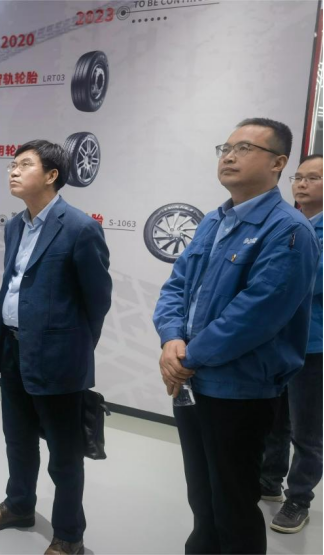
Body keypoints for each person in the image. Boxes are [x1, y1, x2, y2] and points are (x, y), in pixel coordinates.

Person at [152, 118, 319, 553]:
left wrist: (186, 359)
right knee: (202, 495)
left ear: (278, 163)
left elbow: (256, 315)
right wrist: (170, 340)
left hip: (239, 388)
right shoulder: (214, 220)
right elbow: (176, 287)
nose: (229, 156)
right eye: (225, 148)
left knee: (233, 502)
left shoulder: (289, 231)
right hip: (192, 382)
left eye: (244, 148)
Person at [0, 140, 112, 555]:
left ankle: (69, 535)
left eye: (25, 165)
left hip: (59, 359)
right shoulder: (16, 225)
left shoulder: (80, 228)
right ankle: (19, 506)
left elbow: (97, 300)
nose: (13, 171)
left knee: (64, 455)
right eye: (12, 165)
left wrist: (73, 349)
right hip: (14, 349)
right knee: (17, 438)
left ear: (52, 175)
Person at [260, 153, 323, 533]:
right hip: (279, 341)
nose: (301, 183)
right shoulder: (290, 224)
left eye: (313, 178)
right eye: (298, 177)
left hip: (314, 347)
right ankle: (269, 481)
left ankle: (299, 498)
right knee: (274, 421)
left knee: (308, 432)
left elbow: (306, 282)